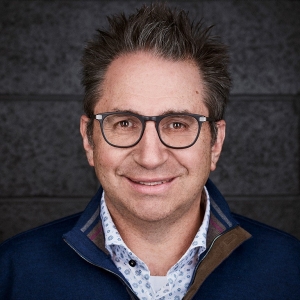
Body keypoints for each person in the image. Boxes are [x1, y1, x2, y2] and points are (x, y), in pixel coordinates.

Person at [0, 3, 299, 299]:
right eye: (126, 122)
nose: (150, 157)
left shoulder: (290, 270)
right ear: (89, 140)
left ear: (215, 142)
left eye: (178, 125)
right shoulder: (13, 273)